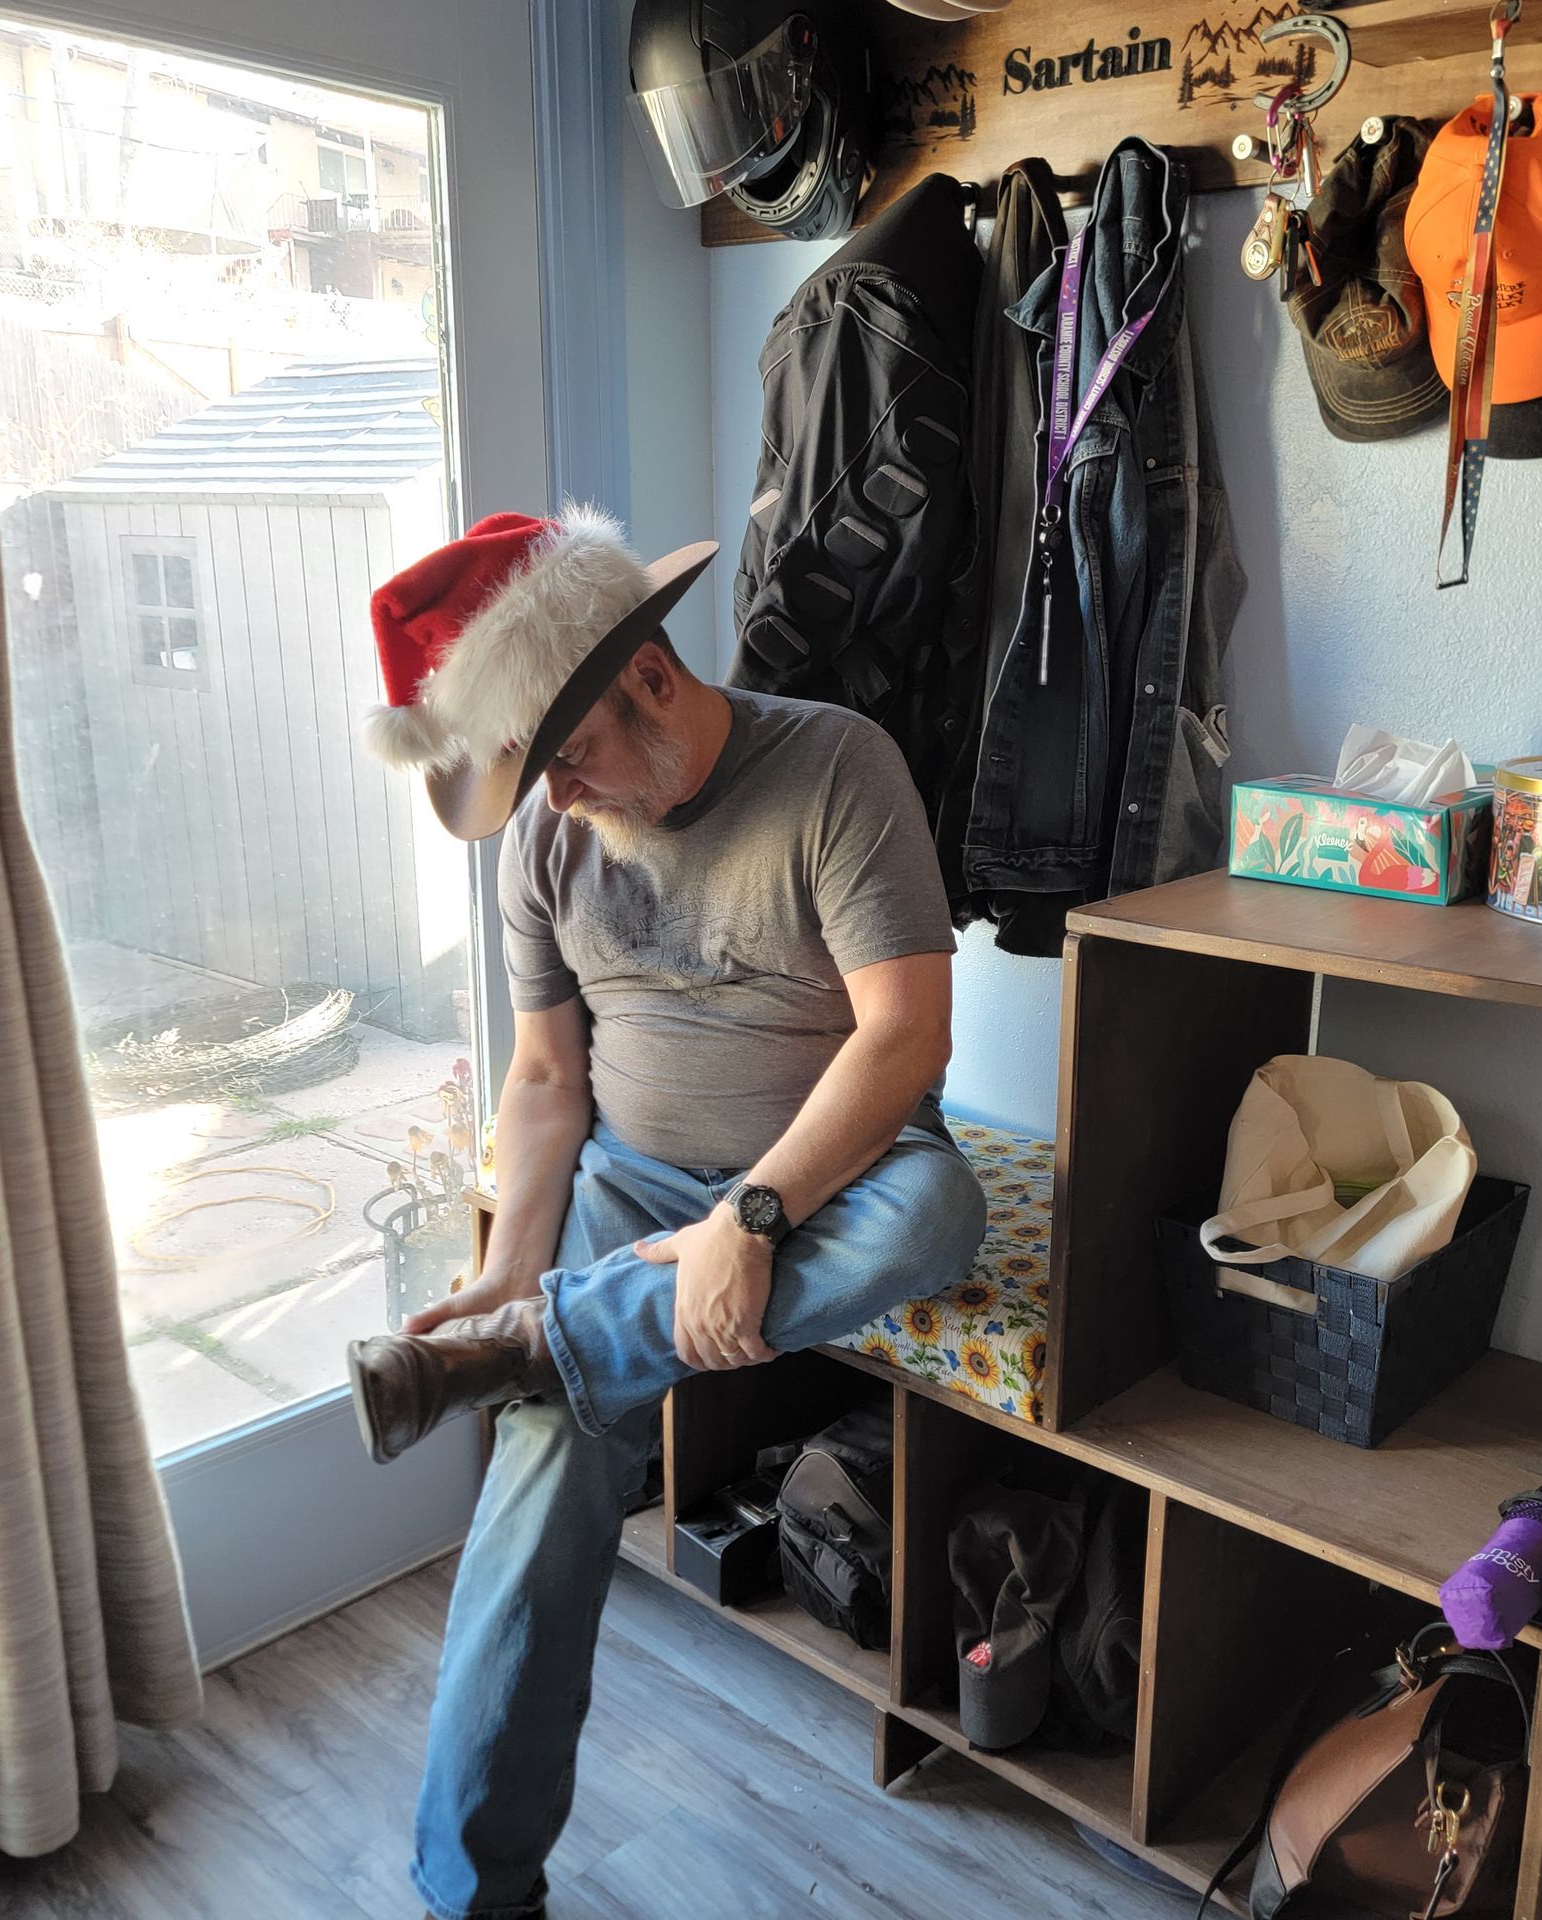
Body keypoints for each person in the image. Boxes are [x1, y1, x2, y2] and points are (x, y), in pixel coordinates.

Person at [346, 504, 988, 1920]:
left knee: (937, 1212)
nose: (559, 803)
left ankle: (546, 1347)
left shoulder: (833, 766)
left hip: (832, 1179)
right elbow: (542, 1075)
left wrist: (750, 1221)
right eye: (534, 780)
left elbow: (905, 1041)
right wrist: (508, 1270)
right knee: (535, 1499)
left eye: (566, 760)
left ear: (645, 674)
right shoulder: (548, 843)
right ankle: (477, 1898)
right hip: (631, 1186)